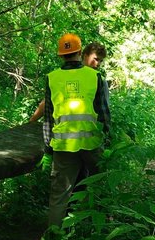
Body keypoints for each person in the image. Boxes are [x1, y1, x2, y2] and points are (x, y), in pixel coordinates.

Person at [44, 33, 110, 228]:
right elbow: (104, 113)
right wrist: (108, 139)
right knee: (98, 187)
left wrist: (48, 146)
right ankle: (96, 234)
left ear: (61, 55)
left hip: (63, 145)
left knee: (59, 196)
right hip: (91, 143)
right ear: (80, 52)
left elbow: (48, 115)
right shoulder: (95, 76)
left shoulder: (52, 78)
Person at [29, 42, 108, 122]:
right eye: (96, 59)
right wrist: (32, 120)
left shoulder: (99, 79)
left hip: (90, 130)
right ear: (85, 56)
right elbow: (48, 101)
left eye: (101, 61)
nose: (98, 64)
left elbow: (104, 111)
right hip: (62, 129)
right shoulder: (64, 74)